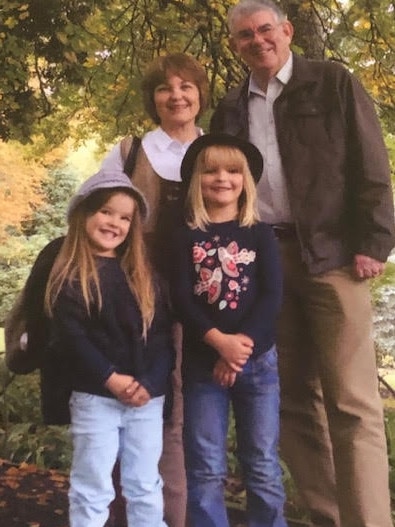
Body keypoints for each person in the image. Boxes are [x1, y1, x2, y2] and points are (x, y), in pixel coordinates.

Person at [210, 1, 395, 527]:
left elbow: (371, 162)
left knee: (352, 402)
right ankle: (326, 516)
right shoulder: (230, 107)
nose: (257, 41)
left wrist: (374, 241)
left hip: (333, 257)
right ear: (235, 45)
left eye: (265, 30)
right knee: (293, 401)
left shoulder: (332, 82)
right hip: (264, 262)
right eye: (244, 35)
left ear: (286, 31)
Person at [101, 52, 209, 527]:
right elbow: (93, 218)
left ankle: (174, 516)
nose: (177, 95)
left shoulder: (220, 153)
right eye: (166, 88)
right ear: (153, 98)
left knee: (182, 416)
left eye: (186, 86)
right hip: (135, 301)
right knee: (133, 405)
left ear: (200, 95)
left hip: (203, 305)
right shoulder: (128, 152)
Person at [44, 169, 175, 527]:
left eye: (124, 217)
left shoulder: (145, 274)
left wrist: (150, 382)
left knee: (145, 484)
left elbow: (163, 336)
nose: (114, 222)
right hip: (95, 397)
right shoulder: (69, 274)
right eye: (106, 211)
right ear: (84, 213)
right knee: (93, 485)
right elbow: (72, 339)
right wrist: (111, 378)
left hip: (147, 400)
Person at [172, 133, 287, 527]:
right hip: (204, 366)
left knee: (262, 462)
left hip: (258, 365)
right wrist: (219, 343)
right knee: (204, 465)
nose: (222, 178)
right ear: (196, 180)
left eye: (232, 170)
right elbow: (181, 299)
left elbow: (272, 296)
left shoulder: (260, 232)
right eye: (211, 170)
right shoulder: (186, 234)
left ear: (245, 180)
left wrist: (240, 350)